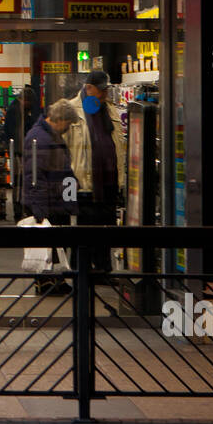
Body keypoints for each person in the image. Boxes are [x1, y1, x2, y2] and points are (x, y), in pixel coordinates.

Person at [62, 70, 126, 278]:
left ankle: (103, 271)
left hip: (108, 183)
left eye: (106, 90)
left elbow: (118, 145)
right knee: (84, 230)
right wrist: (67, 185)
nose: (105, 94)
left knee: (105, 228)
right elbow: (63, 148)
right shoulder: (71, 110)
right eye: (101, 90)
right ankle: (82, 272)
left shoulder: (111, 111)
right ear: (89, 88)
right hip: (83, 183)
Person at [22, 98, 80, 295]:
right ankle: (47, 283)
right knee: (49, 244)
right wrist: (38, 208)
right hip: (47, 201)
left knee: (55, 244)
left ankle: (53, 281)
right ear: (60, 119)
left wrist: (70, 198)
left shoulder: (48, 136)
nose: (69, 128)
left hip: (54, 200)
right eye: (68, 124)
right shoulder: (39, 138)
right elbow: (35, 176)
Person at [4, 84, 42, 220]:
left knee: (19, 183)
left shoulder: (15, 109)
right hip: (20, 153)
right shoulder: (17, 111)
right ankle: (19, 211)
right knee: (19, 183)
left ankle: (20, 210)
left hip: (18, 152)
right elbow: (18, 133)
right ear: (26, 100)